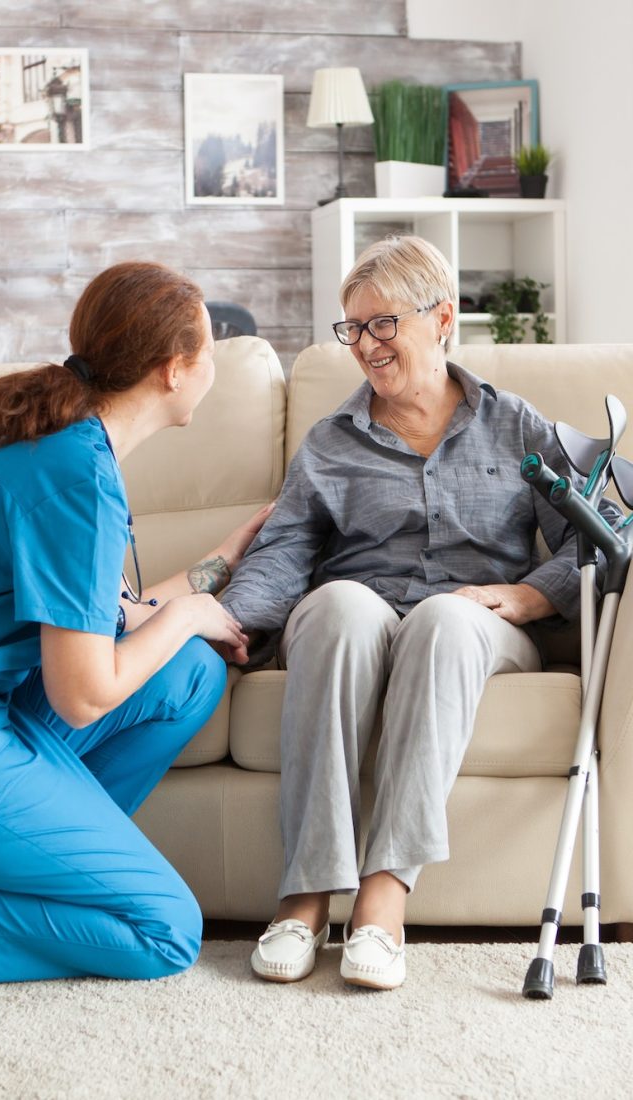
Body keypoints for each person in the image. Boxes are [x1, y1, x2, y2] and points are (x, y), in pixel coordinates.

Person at [0, 261, 271, 997]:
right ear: (173, 370)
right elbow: (82, 695)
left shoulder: (68, 447)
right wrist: (193, 615)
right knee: (164, 929)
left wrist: (225, 562)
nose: (213, 368)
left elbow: (115, 614)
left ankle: (51, 861)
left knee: (189, 671)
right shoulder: (76, 478)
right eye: (210, 353)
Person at [220, 235, 620, 991]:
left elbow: (592, 539)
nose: (365, 346)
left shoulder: (516, 425)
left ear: (440, 319)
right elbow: (282, 551)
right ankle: (305, 896)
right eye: (353, 329)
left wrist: (533, 596)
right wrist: (232, 621)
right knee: (336, 606)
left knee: (443, 618)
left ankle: (382, 900)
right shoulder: (330, 442)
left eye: (382, 324)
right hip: (358, 611)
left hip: (479, 624)